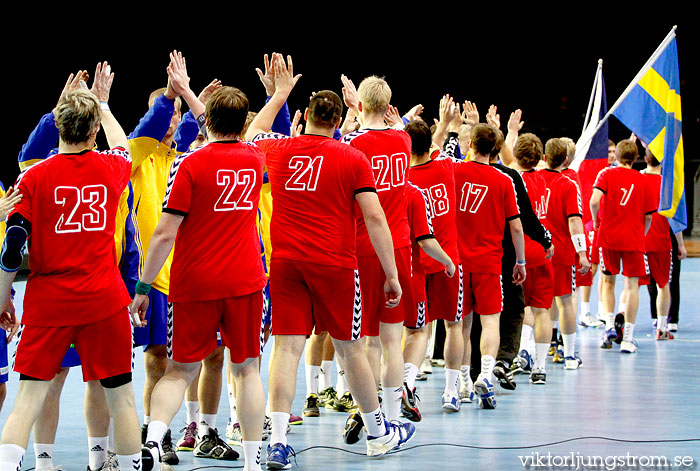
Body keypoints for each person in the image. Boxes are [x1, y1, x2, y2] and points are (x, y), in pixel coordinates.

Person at [246, 53, 415, 468]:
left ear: (304, 115)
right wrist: (392, 275)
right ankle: (378, 434)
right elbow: (375, 218)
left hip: (286, 264)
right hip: (336, 265)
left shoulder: (281, 150)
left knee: (286, 349)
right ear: (339, 122)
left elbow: (253, 133)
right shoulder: (351, 157)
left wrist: (279, 93)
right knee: (352, 350)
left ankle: (279, 443)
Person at [0, 73, 142, 471]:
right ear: (93, 130)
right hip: (104, 299)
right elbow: (123, 146)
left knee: (27, 400)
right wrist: (105, 104)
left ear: (57, 125)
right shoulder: (110, 169)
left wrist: (1, 300)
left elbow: (11, 251)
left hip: (50, 302)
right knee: (122, 397)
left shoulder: (32, 178)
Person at [134, 62, 256, 471]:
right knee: (247, 371)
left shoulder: (187, 165)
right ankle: (254, 462)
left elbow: (165, 234)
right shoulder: (257, 160)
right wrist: (191, 96)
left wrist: (143, 287)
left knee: (179, 370)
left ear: (207, 122)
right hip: (244, 280)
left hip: (194, 282)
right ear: (243, 122)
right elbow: (227, 129)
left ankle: (152, 442)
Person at [340, 74, 413, 425]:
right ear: (387, 105)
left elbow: (351, 139)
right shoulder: (403, 139)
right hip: (398, 246)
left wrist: (355, 107)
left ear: (362, 105)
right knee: (391, 339)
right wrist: (367, 106)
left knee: (367, 340)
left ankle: (370, 414)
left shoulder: (352, 141)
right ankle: (395, 413)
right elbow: (393, 129)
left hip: (363, 244)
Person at [453, 124, 526, 409]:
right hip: (489, 263)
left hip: (458, 263)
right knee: (491, 321)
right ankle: (485, 375)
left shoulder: (454, 172)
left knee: (461, 325)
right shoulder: (503, 181)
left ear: (470, 143)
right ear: (495, 148)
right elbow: (516, 227)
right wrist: (520, 261)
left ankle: (462, 383)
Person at [405, 110, 463, 412]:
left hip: (415, 264)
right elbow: (444, 144)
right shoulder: (446, 167)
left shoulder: (401, 179)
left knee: (416, 331)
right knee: (454, 326)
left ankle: (408, 382)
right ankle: (452, 391)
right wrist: (448, 124)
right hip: (447, 261)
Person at [590, 140, 654, 353]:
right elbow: (648, 216)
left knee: (607, 281)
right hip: (633, 238)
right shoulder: (643, 180)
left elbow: (594, 200)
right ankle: (627, 339)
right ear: (636, 158)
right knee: (631, 286)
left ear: (616, 157)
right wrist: (641, 235)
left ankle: (609, 327)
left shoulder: (606, 174)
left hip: (609, 236)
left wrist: (596, 220)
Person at [539, 138, 590, 369]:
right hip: (561, 252)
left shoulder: (535, 179)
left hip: (539, 252)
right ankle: (569, 355)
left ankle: (544, 350)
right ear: (567, 160)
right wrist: (582, 252)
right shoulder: (569, 183)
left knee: (544, 301)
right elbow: (575, 222)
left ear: (545, 158)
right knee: (566, 301)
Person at [511, 133, 556, 383]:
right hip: (543, 249)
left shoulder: (514, 179)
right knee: (543, 311)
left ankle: (523, 349)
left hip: (520, 251)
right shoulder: (544, 179)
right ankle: (540, 366)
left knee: (522, 307)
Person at [639, 148, 674, 340]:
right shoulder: (668, 186)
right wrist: (681, 245)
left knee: (631, 285)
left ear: (645, 159)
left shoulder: (638, 181)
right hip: (661, 242)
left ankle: (624, 326)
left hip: (640, 240)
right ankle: (662, 327)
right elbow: (675, 220)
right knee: (663, 284)